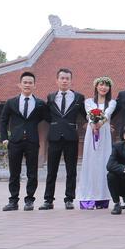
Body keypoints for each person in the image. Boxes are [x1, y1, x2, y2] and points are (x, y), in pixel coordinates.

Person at [0, 71, 47, 211]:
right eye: (25, 82)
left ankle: (29, 200)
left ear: (34, 85)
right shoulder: (11, 102)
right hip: (15, 141)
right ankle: (13, 201)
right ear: (19, 84)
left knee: (32, 172)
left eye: (30, 83)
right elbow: (3, 120)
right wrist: (4, 138)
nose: (27, 85)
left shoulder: (40, 103)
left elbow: (48, 117)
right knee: (14, 172)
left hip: (32, 141)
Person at [41, 68, 86, 210]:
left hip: (71, 137)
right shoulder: (51, 97)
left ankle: (69, 199)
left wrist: (95, 123)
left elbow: (86, 114)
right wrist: (56, 124)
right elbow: (47, 115)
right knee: (51, 170)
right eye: (62, 78)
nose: (65, 81)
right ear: (57, 80)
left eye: (67, 78)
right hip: (54, 137)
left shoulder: (78, 97)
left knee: (71, 170)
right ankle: (48, 200)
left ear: (71, 81)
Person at [78, 76, 117, 210]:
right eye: (101, 85)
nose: (103, 87)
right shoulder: (88, 102)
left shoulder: (112, 102)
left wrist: (100, 123)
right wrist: (93, 125)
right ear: (96, 86)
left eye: (106, 85)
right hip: (91, 134)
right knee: (90, 163)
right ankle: (88, 197)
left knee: (103, 163)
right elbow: (89, 115)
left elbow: (107, 113)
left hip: (104, 134)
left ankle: (102, 198)